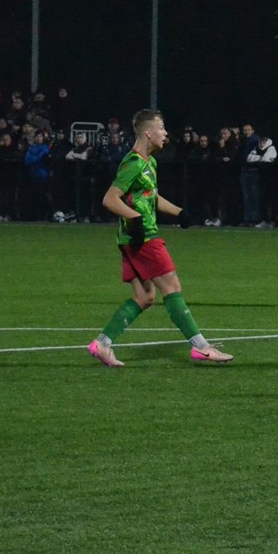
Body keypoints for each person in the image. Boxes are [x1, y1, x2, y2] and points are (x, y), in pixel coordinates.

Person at [87, 109, 232, 367]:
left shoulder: (149, 162)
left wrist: (180, 212)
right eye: (161, 129)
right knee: (172, 287)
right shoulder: (133, 163)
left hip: (131, 238)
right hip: (142, 237)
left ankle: (103, 343)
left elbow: (151, 197)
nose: (165, 133)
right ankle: (201, 347)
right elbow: (110, 199)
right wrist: (135, 219)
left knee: (145, 296)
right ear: (147, 132)